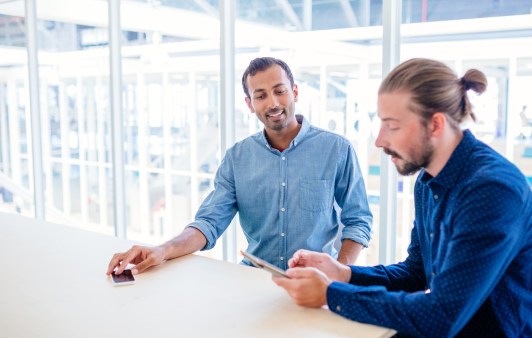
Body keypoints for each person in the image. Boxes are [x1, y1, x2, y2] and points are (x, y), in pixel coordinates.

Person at [273, 58, 532, 337]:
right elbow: (416, 274)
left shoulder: (491, 192)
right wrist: (343, 274)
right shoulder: (428, 182)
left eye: (392, 126)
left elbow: (441, 316)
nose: (379, 140)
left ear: (435, 125)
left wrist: (331, 295)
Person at [107, 57, 372, 276]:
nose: (273, 103)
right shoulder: (237, 158)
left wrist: (340, 273)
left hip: (318, 279)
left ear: (295, 92)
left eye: (280, 91)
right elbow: (209, 223)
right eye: (261, 95)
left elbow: (357, 220)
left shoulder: (336, 149)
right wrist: (161, 250)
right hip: (253, 278)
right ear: (249, 104)